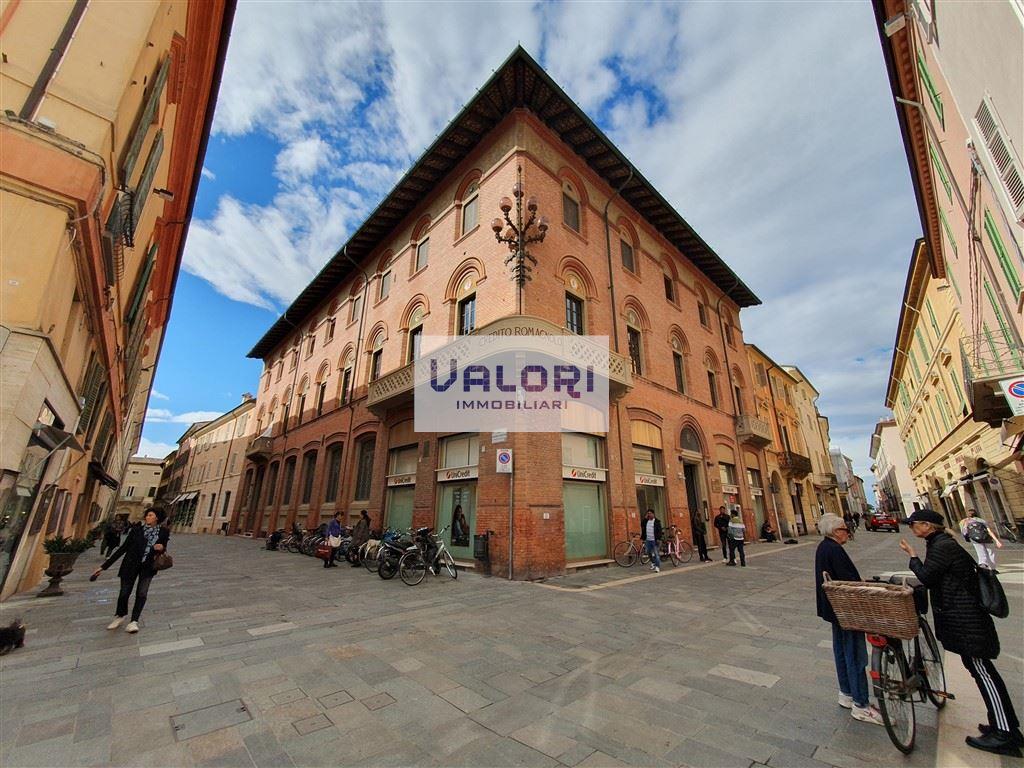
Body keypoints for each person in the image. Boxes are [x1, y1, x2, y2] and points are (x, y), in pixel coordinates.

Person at [900, 509, 1021, 756]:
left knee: (984, 673)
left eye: (914, 524)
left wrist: (912, 557)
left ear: (928, 526)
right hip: (965, 619)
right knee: (982, 672)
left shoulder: (942, 546)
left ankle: (1005, 733)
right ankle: (1003, 725)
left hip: (967, 621)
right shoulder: (942, 544)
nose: (912, 528)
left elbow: (928, 577)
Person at [814, 513, 884, 726]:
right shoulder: (835, 550)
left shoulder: (823, 547)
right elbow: (849, 583)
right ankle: (861, 705)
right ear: (836, 531)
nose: (848, 532)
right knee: (855, 656)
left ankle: (846, 693)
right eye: (845, 529)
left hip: (834, 609)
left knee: (842, 652)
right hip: (847, 610)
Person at [91, 507, 170, 634]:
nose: (147, 517)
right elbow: (122, 549)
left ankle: (134, 621)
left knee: (142, 593)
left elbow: (163, 548)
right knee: (124, 592)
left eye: (150, 515)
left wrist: (161, 548)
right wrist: (103, 566)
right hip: (130, 565)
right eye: (147, 515)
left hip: (148, 567)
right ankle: (120, 616)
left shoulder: (163, 532)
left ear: (157, 518)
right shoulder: (136, 530)